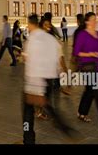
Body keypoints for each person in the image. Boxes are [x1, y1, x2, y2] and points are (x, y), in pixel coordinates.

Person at [22, 14, 75, 144]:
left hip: (34, 82)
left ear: (31, 24)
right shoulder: (51, 39)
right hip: (49, 78)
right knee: (48, 106)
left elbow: (31, 61)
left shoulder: (33, 39)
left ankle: (28, 140)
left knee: (28, 113)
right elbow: (56, 58)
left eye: (28, 25)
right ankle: (65, 128)